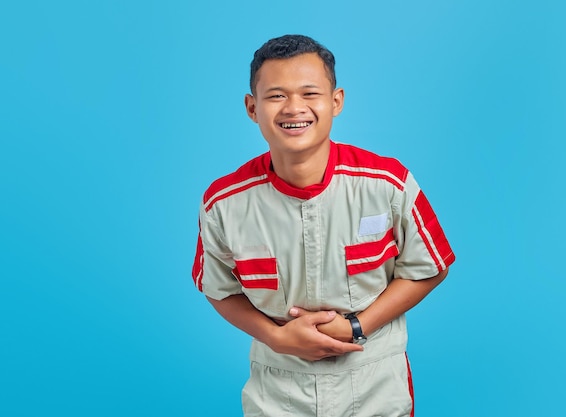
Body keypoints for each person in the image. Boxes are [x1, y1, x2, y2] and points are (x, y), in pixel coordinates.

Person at [192, 34, 455, 417]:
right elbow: (217, 288)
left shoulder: (387, 183)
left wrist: (357, 327)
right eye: (276, 95)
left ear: (336, 101)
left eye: (309, 93)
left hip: (374, 383)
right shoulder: (224, 203)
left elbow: (430, 267)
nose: (293, 108)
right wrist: (277, 337)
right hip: (277, 389)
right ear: (252, 107)